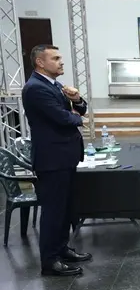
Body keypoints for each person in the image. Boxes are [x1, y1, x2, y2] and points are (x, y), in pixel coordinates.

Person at [22, 45, 91, 276]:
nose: (61, 62)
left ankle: (61, 249)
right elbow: (61, 118)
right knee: (53, 211)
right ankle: (50, 261)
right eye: (56, 58)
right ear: (40, 62)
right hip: (51, 159)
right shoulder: (35, 88)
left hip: (65, 156)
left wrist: (77, 99)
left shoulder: (56, 85)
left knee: (65, 209)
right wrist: (76, 118)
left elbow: (80, 108)